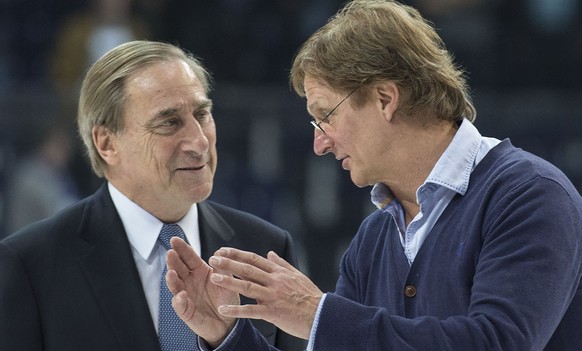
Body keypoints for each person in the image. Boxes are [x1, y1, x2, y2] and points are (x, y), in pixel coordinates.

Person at [164, 0, 582, 350]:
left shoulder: (530, 196)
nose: (320, 144)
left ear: (385, 98)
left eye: (325, 116)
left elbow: (496, 343)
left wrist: (317, 315)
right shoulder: (375, 237)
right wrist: (227, 337)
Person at [0, 40, 306, 351]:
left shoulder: (267, 249)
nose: (199, 142)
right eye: (169, 123)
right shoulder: (30, 265)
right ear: (106, 143)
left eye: (202, 115)